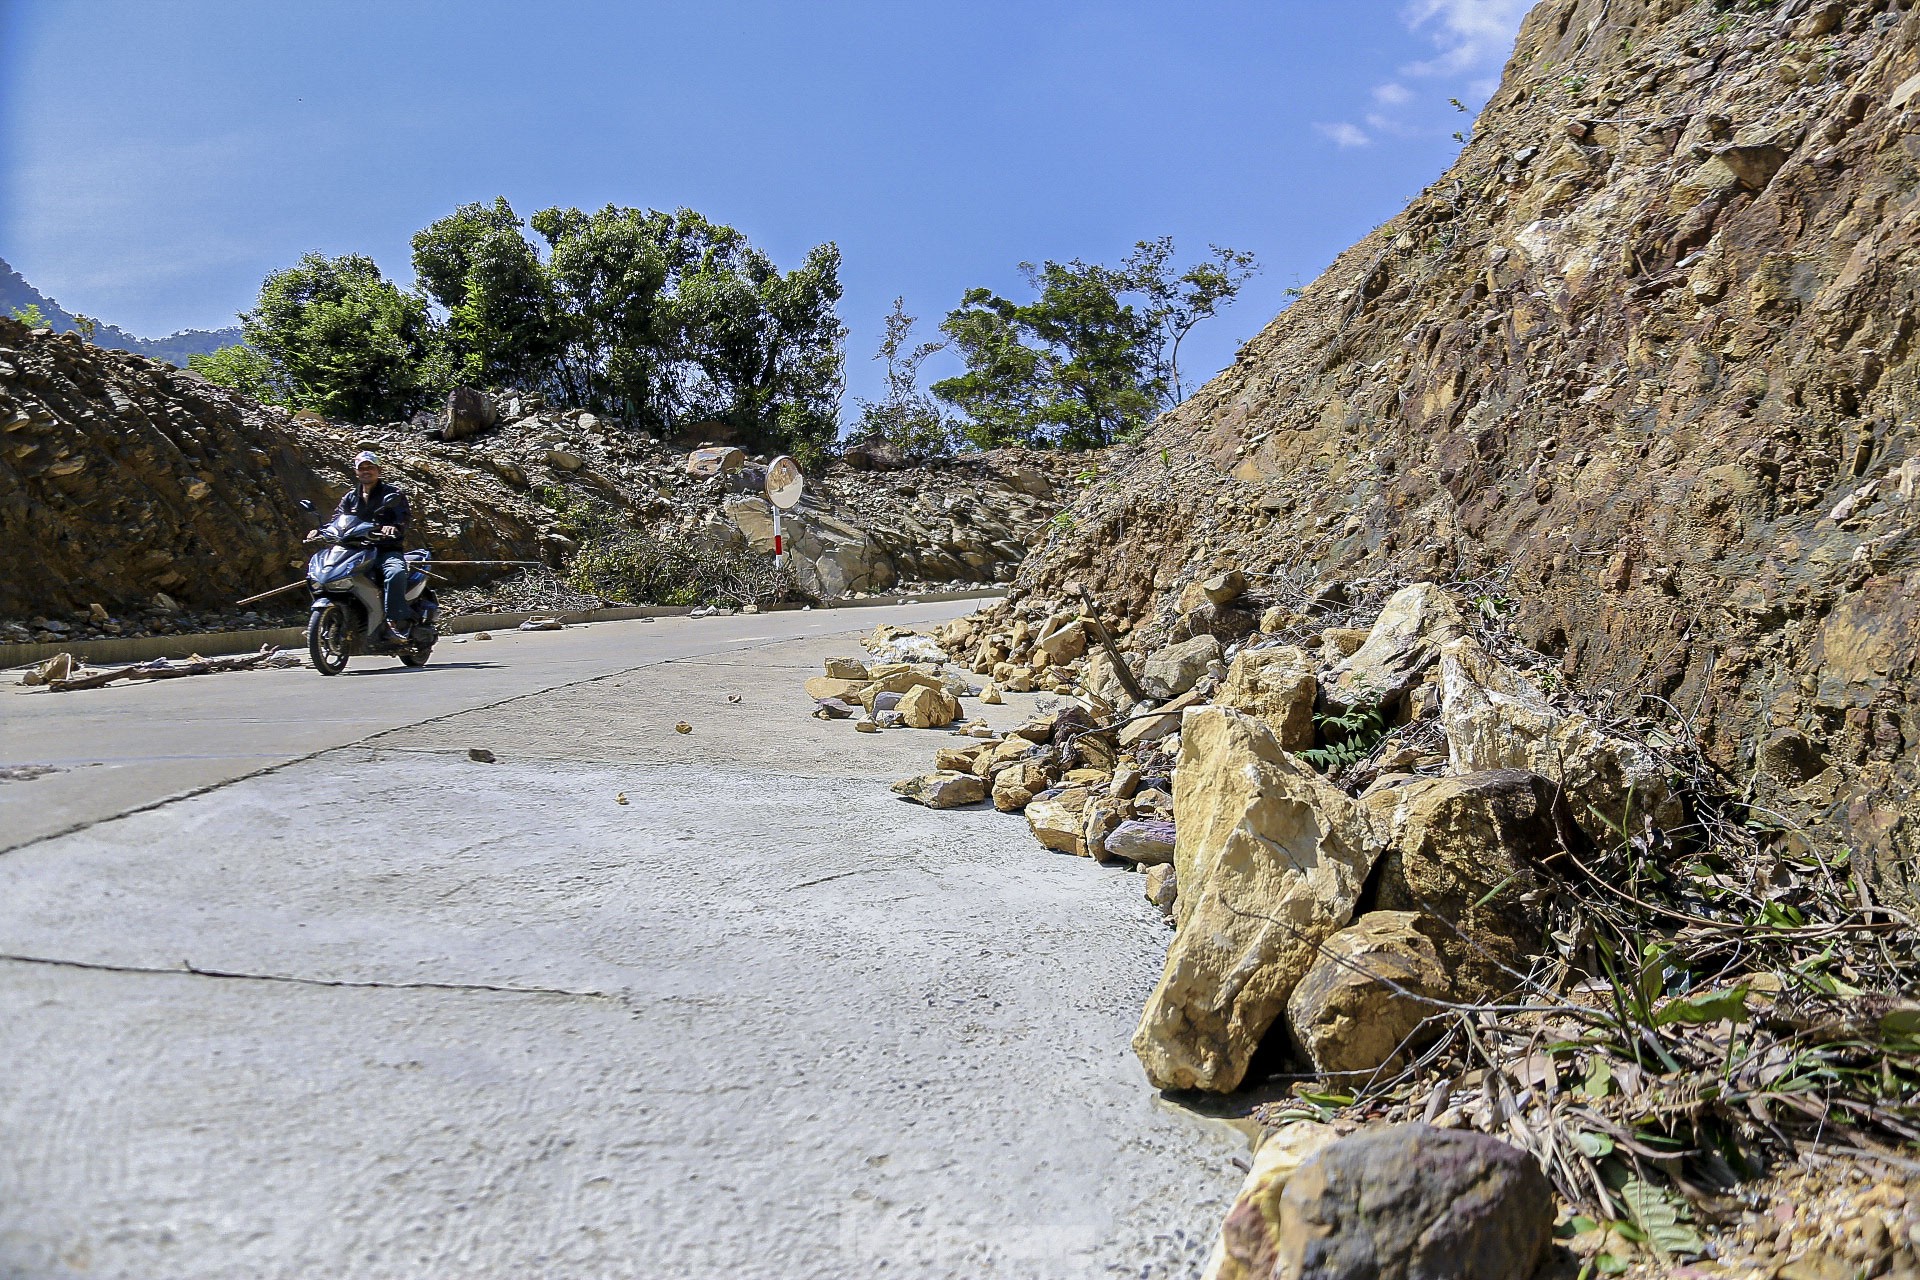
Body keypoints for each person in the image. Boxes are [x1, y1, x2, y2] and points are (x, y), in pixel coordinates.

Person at [315, 451, 414, 643]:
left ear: (379, 470)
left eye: (370, 467)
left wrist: (393, 527)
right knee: (326, 572)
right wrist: (321, 530)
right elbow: (337, 519)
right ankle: (325, 620)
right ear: (356, 472)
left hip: (385, 549)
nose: (366, 471)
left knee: (394, 572)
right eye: (362, 468)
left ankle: (393, 623)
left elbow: (403, 518)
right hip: (354, 550)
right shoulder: (351, 497)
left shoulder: (392, 494)